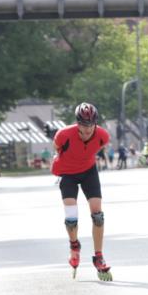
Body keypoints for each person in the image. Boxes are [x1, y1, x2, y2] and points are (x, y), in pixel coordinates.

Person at [52, 103, 113, 281]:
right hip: (67, 173)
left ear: (96, 123)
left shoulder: (103, 136)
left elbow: (95, 149)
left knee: (98, 216)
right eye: (83, 126)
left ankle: (99, 256)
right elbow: (57, 147)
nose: (87, 130)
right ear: (77, 123)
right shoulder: (63, 135)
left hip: (88, 172)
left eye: (90, 125)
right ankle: (74, 245)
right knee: (71, 219)